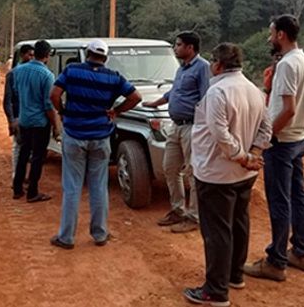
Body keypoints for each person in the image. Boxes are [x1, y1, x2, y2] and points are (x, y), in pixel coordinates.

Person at [182, 43, 271, 306]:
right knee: (239, 223)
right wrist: (252, 155)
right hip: (243, 174)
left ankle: (216, 291)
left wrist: (243, 157)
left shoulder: (218, 91)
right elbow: (266, 127)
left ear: (219, 64)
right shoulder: (254, 90)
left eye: (212, 62)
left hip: (217, 173)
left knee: (217, 231)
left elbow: (220, 134)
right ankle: (234, 275)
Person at [244, 14, 304, 281]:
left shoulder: (288, 65)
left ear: (281, 35)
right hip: (297, 140)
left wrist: (264, 140)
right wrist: (300, 126)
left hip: (282, 143)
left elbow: (287, 109)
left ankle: (276, 262)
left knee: (279, 201)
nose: (268, 37)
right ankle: (300, 252)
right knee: (297, 196)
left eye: (271, 32)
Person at [49, 39, 141, 249]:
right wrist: (116, 111)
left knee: (72, 187)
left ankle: (67, 237)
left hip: (74, 134)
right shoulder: (113, 77)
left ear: (87, 53)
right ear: (105, 58)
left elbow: (54, 94)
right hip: (100, 136)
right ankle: (100, 234)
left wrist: (63, 112)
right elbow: (136, 96)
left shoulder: (72, 71)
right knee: (99, 187)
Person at [142, 31, 210, 233]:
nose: (175, 47)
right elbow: (174, 92)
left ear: (190, 48)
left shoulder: (203, 67)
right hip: (176, 125)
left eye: (178, 44)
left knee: (192, 171)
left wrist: (203, 127)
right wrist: (156, 103)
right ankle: (178, 209)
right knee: (170, 168)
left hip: (192, 126)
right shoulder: (181, 69)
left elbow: (207, 97)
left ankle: (194, 216)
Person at [12, 40, 58, 203]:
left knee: (24, 154)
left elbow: (17, 91)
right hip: (40, 122)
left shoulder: (19, 70)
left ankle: (17, 188)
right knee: (38, 157)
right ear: (47, 55)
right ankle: (32, 191)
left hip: (24, 119)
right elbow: (48, 104)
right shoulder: (47, 75)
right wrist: (55, 125)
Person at [4, 44, 35, 180]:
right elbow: (7, 100)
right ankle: (16, 177)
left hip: (33, 117)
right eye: (29, 54)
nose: (31, 58)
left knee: (32, 150)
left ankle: (26, 176)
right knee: (18, 147)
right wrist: (11, 120)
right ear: (22, 55)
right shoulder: (13, 74)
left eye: (33, 55)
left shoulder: (36, 73)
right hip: (19, 117)